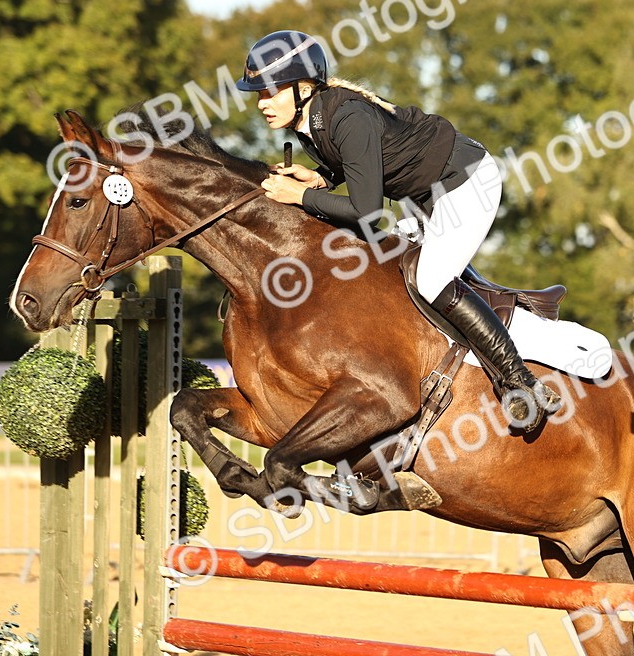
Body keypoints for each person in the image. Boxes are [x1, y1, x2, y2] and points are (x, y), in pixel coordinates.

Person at [237, 30, 561, 431]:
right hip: (425, 194)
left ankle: (521, 384)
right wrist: (321, 179)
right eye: (257, 94)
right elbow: (360, 164)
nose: (261, 103)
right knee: (386, 270)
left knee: (432, 280)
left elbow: (367, 211)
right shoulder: (313, 119)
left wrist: (300, 197)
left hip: (466, 183)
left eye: (269, 92)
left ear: (303, 86)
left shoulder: (345, 116)